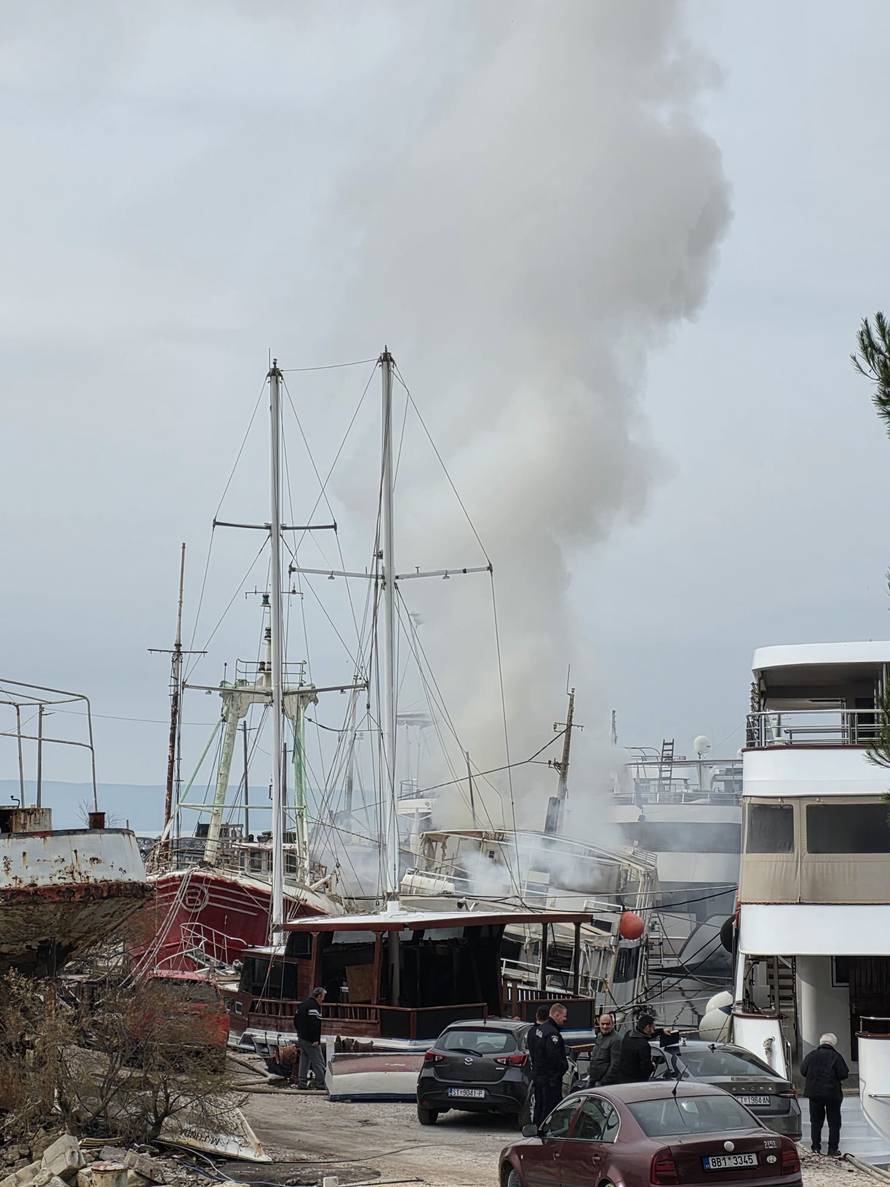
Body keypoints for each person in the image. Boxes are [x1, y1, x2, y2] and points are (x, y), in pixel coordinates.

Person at [801, 1033, 849, 1156]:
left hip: (814, 1094)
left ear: (821, 1042)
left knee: (816, 1122)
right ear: (833, 1043)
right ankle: (832, 1149)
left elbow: (803, 1070)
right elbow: (843, 1074)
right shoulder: (836, 1056)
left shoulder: (811, 1055)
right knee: (834, 1123)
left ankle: (815, 1148)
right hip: (832, 1094)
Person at [532, 1002, 569, 1126]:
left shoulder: (540, 1030)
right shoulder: (552, 1033)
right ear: (557, 1015)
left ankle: (536, 1130)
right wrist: (563, 1067)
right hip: (550, 1080)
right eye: (564, 1016)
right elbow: (554, 1057)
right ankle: (544, 1132)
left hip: (539, 1077)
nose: (565, 1019)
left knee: (539, 1106)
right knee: (549, 1110)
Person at [613, 1012, 677, 1083]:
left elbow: (645, 1035)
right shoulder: (644, 1046)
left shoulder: (628, 1035)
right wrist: (653, 1066)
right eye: (653, 1026)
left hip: (621, 1079)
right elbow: (646, 1069)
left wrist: (661, 1031)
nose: (654, 1028)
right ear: (647, 1027)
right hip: (636, 1082)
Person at [294, 986, 327, 1090]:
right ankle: (321, 1083)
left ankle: (302, 1083)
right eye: (323, 996)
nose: (323, 999)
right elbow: (314, 1024)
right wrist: (315, 1039)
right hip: (310, 1039)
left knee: (304, 1060)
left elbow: (295, 1020)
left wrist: (300, 1033)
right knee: (318, 1061)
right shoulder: (314, 1007)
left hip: (302, 1037)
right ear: (319, 996)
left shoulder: (303, 1004)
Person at [590, 1013, 622, 1086]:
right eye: (603, 1024)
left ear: (612, 1024)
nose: (605, 1026)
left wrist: (603, 1082)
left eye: (607, 1024)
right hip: (594, 1079)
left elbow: (615, 1065)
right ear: (599, 1023)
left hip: (605, 1083)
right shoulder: (599, 1036)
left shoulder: (616, 1040)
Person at [527, 1005, 551, 1072]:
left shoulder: (531, 1031)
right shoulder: (550, 1032)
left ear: (536, 1015)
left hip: (534, 1069)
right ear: (549, 1017)